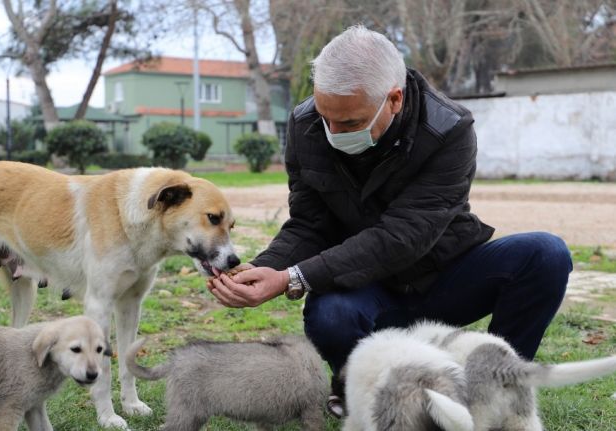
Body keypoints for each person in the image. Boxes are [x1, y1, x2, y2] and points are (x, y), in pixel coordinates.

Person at [207, 24, 572, 418]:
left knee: (545, 254)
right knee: (330, 314)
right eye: (326, 117)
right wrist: (263, 268)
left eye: (349, 123)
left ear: (394, 99)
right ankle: (357, 388)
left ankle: (496, 388)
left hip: (443, 277)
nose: (332, 132)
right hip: (366, 289)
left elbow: (404, 235)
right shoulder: (305, 124)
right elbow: (310, 223)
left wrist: (292, 278)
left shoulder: (449, 129)